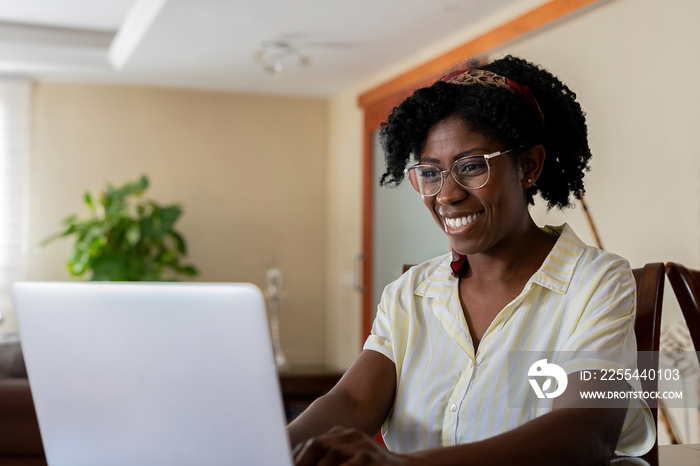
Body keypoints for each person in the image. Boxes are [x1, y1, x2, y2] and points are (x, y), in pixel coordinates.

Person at [288, 55, 655, 465]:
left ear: (529, 166)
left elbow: (586, 433)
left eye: (472, 167)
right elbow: (353, 401)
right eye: (431, 172)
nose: (446, 195)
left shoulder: (597, 282)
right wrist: (264, 446)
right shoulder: (410, 294)